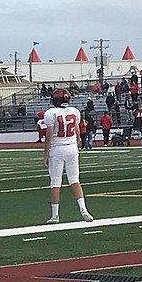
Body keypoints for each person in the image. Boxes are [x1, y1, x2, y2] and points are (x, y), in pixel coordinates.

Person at [43, 88, 94, 224]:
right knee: (75, 180)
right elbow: (77, 133)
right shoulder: (74, 111)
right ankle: (84, 210)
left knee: (55, 182)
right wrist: (76, 145)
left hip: (58, 148)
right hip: (72, 148)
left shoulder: (51, 113)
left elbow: (48, 136)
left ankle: (55, 216)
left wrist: (46, 155)